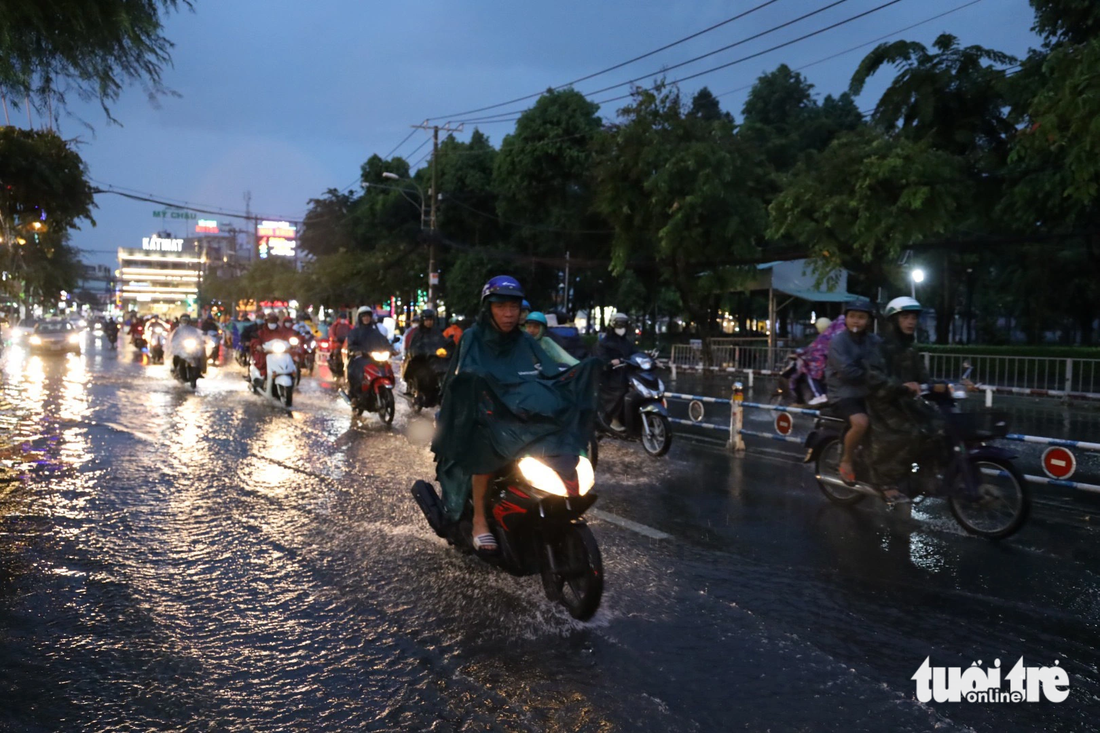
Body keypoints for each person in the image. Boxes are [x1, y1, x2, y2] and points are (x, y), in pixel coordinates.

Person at [431, 276, 599, 552]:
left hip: (519, 412)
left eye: (514, 308)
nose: (509, 314)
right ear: (488, 308)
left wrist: (581, 374)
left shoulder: (525, 340)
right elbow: (462, 377)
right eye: (501, 307)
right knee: (484, 453)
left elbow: (549, 371)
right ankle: (480, 521)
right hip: (486, 412)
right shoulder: (472, 337)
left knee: (559, 438)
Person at [867, 297, 943, 505]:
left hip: (905, 402)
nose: (911, 322)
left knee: (938, 426)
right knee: (908, 433)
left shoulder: (910, 350)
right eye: (905, 317)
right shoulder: (879, 347)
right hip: (883, 403)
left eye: (913, 318)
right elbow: (874, 378)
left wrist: (946, 385)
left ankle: (924, 474)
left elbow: (923, 378)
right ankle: (885, 482)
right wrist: (901, 386)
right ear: (893, 321)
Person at [825, 297, 881, 490]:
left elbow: (885, 361)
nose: (856, 321)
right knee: (861, 422)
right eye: (852, 316)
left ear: (868, 321)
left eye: (861, 317)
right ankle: (846, 460)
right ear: (846, 319)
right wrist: (875, 377)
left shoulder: (874, 341)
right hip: (843, 393)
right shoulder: (838, 341)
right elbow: (846, 371)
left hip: (868, 392)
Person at [596, 312, 636, 431]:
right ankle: (615, 418)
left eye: (624, 326)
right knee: (621, 390)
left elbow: (635, 352)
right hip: (610, 376)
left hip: (626, 373)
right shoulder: (604, 343)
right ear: (612, 326)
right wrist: (611, 362)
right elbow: (602, 360)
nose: (621, 329)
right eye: (619, 326)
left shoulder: (627, 342)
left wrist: (648, 356)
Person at [345, 306, 392, 395]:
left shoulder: (376, 332)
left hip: (375, 358)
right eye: (364, 316)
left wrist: (391, 349)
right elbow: (351, 345)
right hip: (361, 359)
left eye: (368, 316)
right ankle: (354, 395)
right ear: (360, 318)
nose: (366, 318)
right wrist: (357, 351)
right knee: (355, 372)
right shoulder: (354, 332)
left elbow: (384, 342)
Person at [403, 308, 450, 392]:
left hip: (437, 361)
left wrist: (450, 344)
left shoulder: (437, 332)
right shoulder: (418, 334)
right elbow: (414, 348)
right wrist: (421, 352)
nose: (429, 322)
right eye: (427, 320)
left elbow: (443, 343)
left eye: (431, 320)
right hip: (423, 362)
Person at [250, 313, 297, 384]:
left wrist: (292, 344)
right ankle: (263, 380)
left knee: (291, 362)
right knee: (262, 364)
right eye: (271, 322)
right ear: (267, 322)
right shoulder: (261, 332)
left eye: (274, 322)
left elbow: (287, 340)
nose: (272, 324)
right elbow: (255, 340)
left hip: (280, 355)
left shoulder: (281, 332)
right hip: (265, 354)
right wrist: (258, 346)